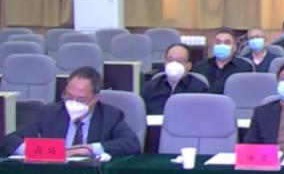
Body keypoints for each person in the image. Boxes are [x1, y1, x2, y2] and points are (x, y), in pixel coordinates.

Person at [1, 67, 141, 157]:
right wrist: (41, 150)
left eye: (81, 99)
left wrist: (89, 149)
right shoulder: (50, 113)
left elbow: (132, 143)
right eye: (68, 96)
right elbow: (10, 141)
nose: (73, 103)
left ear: (95, 99)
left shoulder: (110, 116)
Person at [140, 44, 209, 114]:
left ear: (188, 66)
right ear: (165, 63)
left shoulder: (199, 88)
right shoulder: (150, 87)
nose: (174, 64)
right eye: (170, 60)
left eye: (179, 61)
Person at [192, 28, 255, 94]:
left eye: (227, 43)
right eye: (218, 42)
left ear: (234, 48)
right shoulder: (200, 67)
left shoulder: (245, 67)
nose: (221, 45)